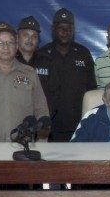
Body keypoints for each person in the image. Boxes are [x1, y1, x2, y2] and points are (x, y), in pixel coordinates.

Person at [39, 8, 97, 142]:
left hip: (79, 126)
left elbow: (92, 91)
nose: (65, 32)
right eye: (61, 28)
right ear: (53, 29)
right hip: (48, 128)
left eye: (69, 28)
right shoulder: (42, 55)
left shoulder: (83, 53)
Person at [15, 16, 52, 98]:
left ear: (38, 40)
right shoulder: (8, 61)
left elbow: (55, 93)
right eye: (26, 35)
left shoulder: (47, 62)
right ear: (17, 37)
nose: (30, 39)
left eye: (34, 36)